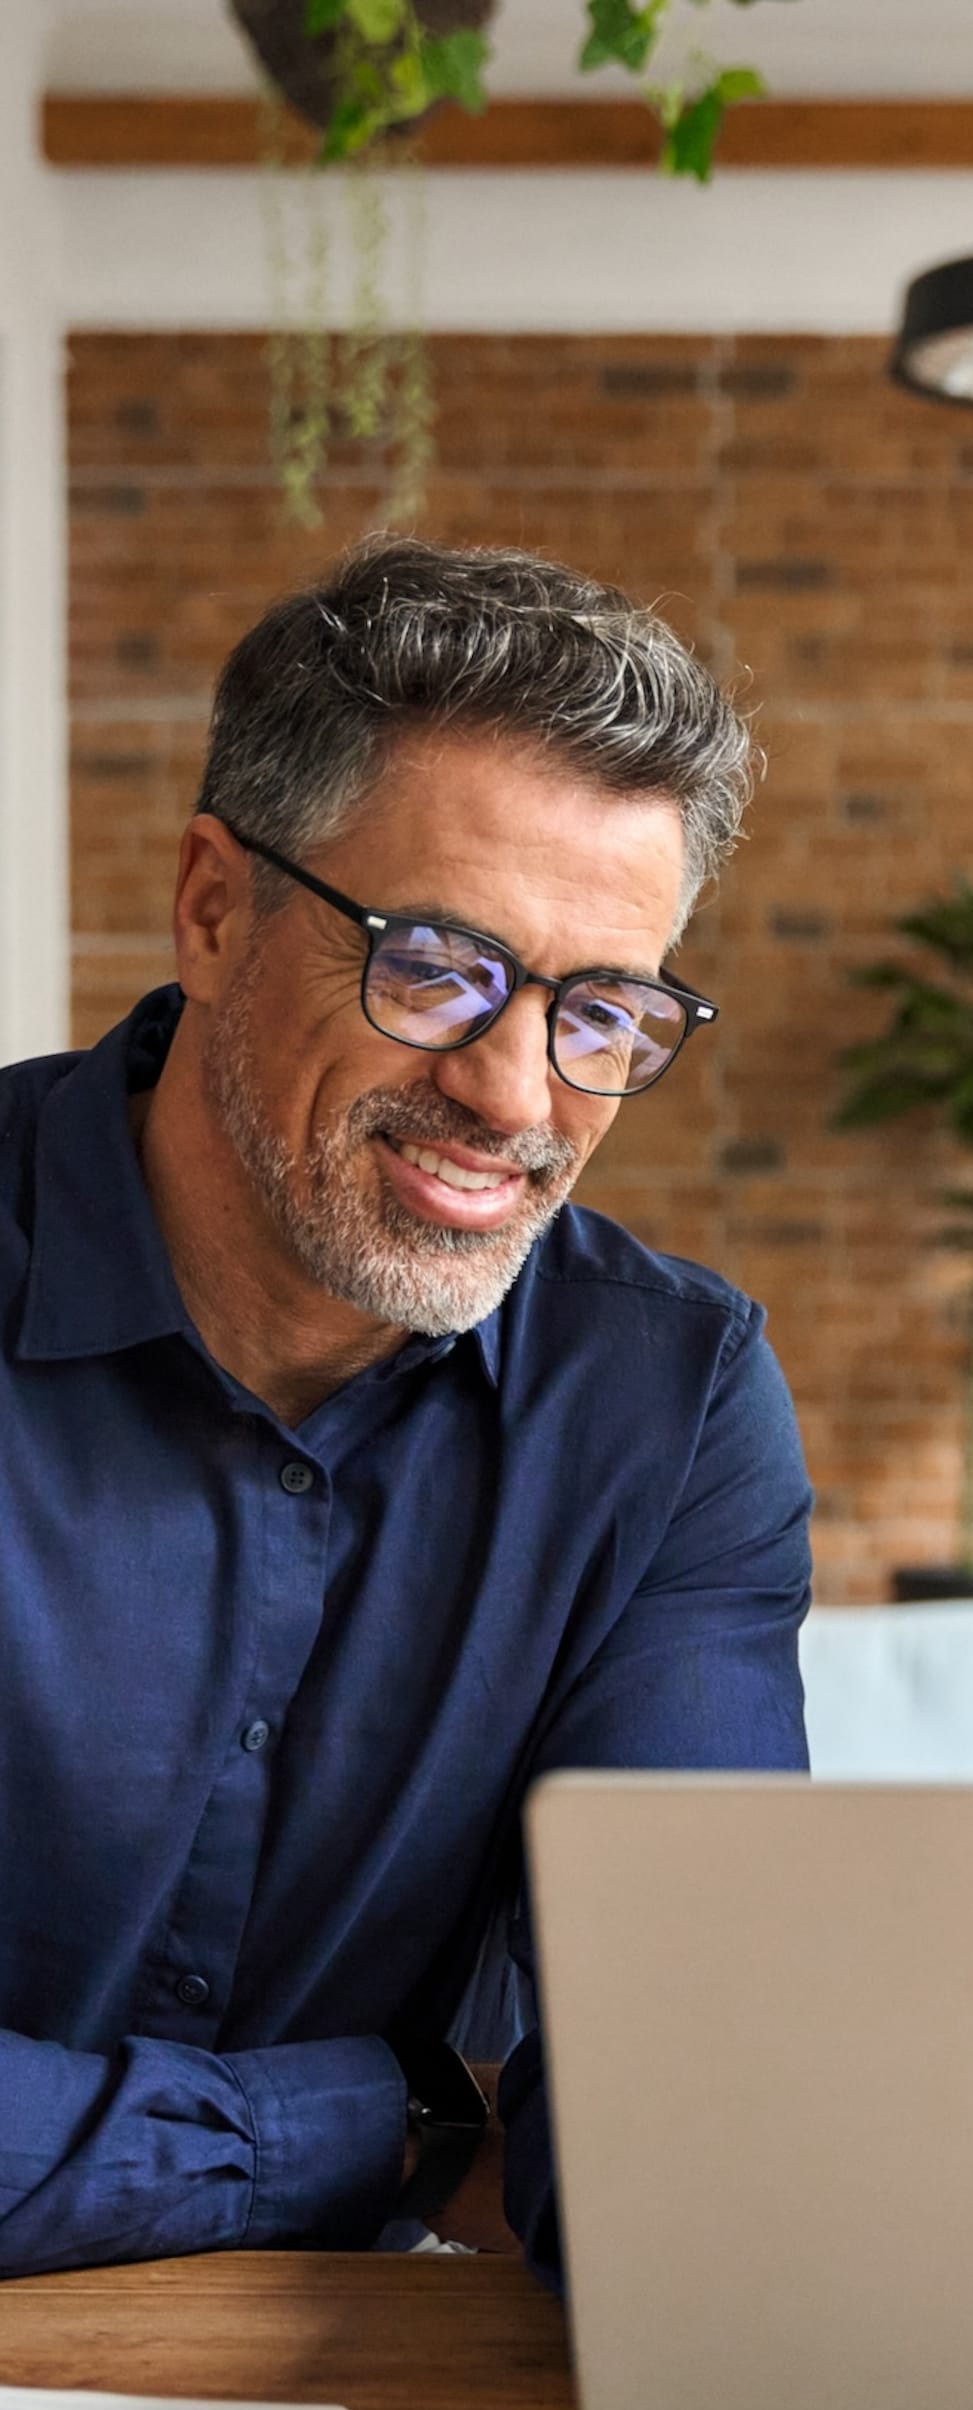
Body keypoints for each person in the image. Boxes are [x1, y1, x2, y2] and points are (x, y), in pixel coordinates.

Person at [0, 538, 811, 2279]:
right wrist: (382, 2120)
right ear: (216, 910)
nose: (516, 1091)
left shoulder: (664, 1406)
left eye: (605, 1011)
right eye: (435, 965)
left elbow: (688, 2104)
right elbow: (490, 2130)